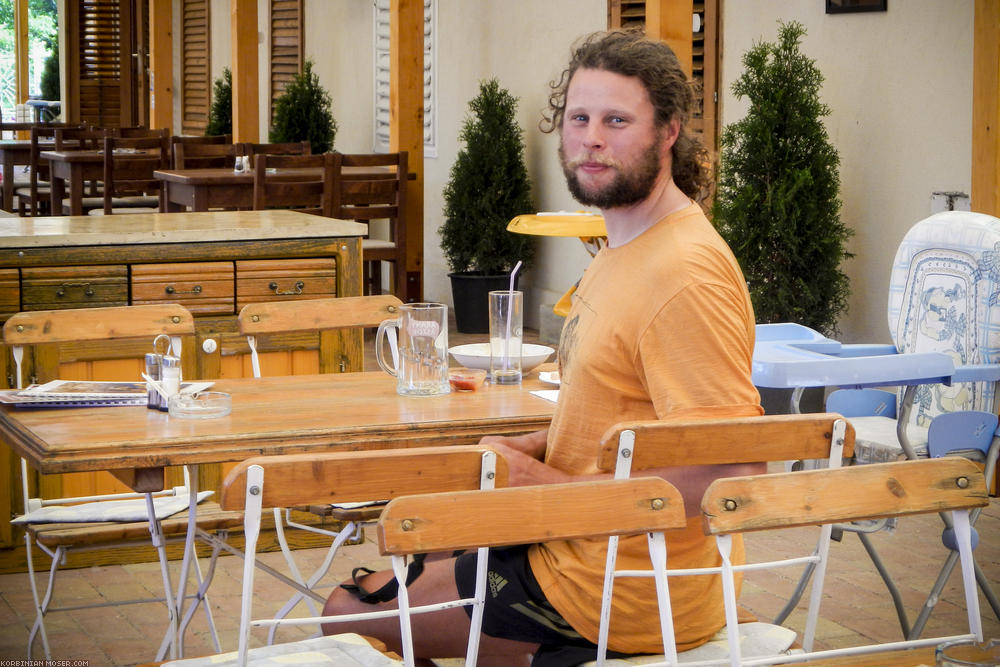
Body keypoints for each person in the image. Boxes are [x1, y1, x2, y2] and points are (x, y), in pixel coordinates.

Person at [322, 29, 764, 666]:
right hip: (571, 545)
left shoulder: (683, 274)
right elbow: (619, 414)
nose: (592, 137)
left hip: (624, 589)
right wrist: (535, 450)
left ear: (668, 132)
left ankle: (552, 657)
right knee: (406, 559)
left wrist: (546, 484)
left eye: (618, 120)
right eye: (579, 118)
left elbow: (733, 470)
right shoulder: (623, 248)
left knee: (346, 612)